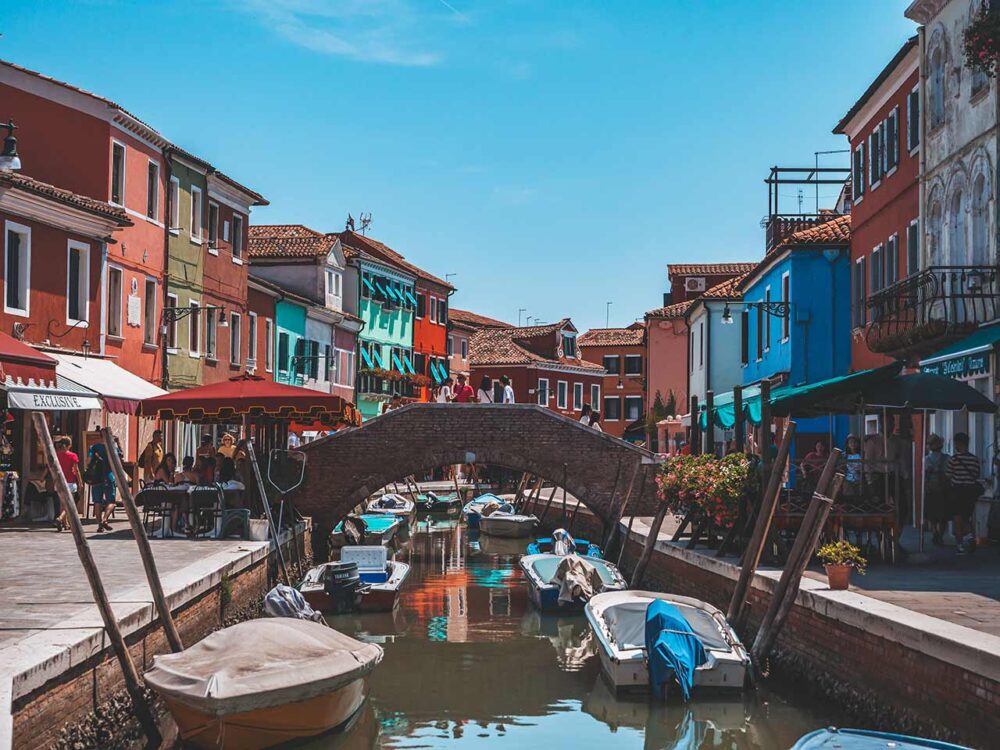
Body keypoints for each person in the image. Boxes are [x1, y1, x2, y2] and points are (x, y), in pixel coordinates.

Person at [946, 432, 982, 555]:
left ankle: (960, 545)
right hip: (970, 491)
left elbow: (949, 475)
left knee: (957, 518)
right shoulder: (974, 459)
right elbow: (977, 474)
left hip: (957, 490)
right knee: (967, 517)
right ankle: (971, 537)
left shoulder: (953, 460)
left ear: (958, 443)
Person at [924, 434, 951, 546]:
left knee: (931, 514)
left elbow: (925, 476)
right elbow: (949, 475)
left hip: (931, 489)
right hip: (943, 489)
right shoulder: (947, 458)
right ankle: (939, 534)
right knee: (943, 515)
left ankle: (935, 532)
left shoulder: (926, 459)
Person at [85, 442, 116, 533]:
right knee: (111, 502)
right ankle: (105, 519)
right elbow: (117, 461)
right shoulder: (112, 446)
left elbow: (89, 461)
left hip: (96, 478)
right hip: (108, 476)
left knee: (97, 502)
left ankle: (99, 525)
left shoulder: (94, 447)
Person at [53, 436, 80, 532]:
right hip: (70, 481)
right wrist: (80, 482)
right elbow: (76, 470)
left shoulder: (56, 455)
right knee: (69, 504)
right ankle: (60, 518)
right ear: (69, 445)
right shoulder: (73, 455)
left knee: (62, 504)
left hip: (59, 481)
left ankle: (66, 523)